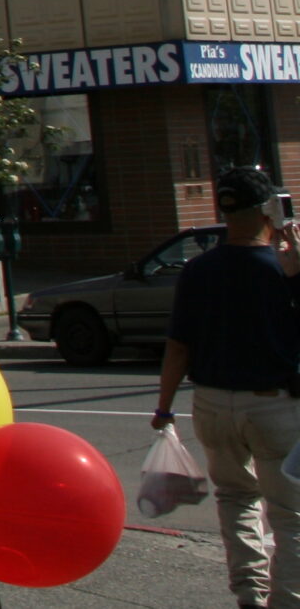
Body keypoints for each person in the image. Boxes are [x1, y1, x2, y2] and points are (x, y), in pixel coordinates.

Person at [152, 166, 300, 609]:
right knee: (290, 516)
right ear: (268, 210)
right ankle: (288, 601)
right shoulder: (284, 270)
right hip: (273, 406)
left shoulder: (199, 270)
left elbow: (178, 347)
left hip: (212, 403)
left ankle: (248, 595)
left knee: (236, 500)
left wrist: (164, 409)